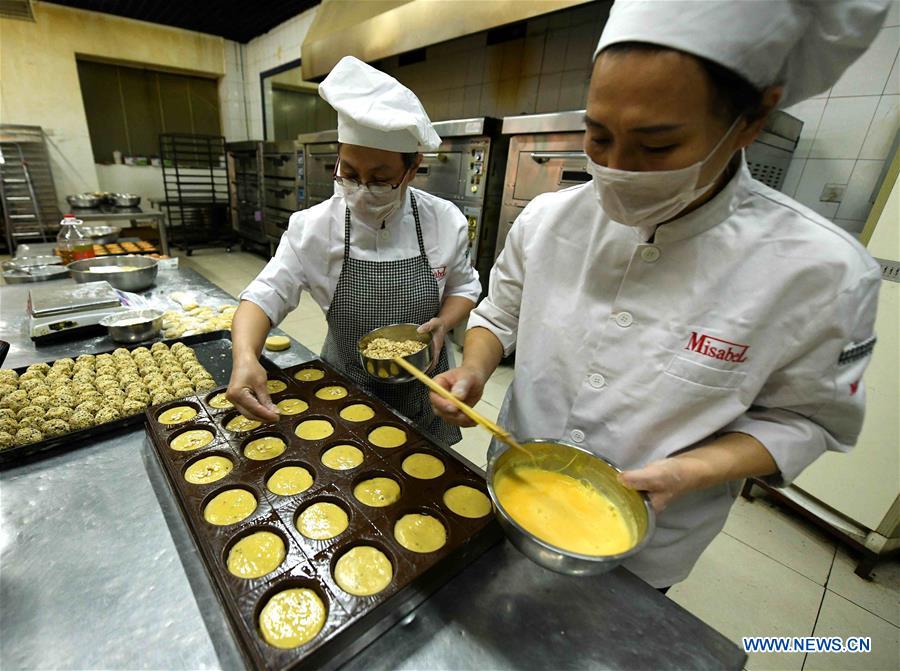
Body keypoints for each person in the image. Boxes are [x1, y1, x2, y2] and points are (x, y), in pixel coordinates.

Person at [431, 0, 890, 589]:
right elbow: (500, 314)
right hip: (513, 488)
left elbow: (807, 420)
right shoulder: (548, 219)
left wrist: (692, 471)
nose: (618, 169)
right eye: (598, 137)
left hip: (648, 546)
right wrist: (472, 368)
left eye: (657, 147)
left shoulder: (821, 271)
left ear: (752, 121)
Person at [229, 56, 480, 445]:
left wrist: (444, 323)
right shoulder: (313, 227)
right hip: (344, 388)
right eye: (348, 173)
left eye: (380, 180)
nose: (362, 190)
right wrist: (246, 355)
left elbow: (464, 289)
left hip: (425, 388)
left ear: (412, 169)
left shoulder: (443, 221)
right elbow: (264, 296)